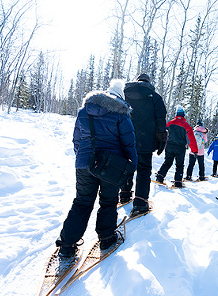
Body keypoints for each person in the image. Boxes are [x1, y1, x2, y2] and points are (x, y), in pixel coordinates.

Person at [56, 80, 137, 258]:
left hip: (84, 164)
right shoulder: (121, 114)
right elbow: (128, 143)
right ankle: (107, 237)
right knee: (108, 202)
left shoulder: (84, 111)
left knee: (82, 202)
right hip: (111, 165)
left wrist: (83, 159)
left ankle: (67, 245)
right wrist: (133, 163)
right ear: (120, 97)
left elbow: (76, 140)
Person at [121, 73, 167, 217]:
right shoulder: (155, 97)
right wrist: (162, 138)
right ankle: (140, 203)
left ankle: (124, 194)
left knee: (127, 166)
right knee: (144, 169)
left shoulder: (125, 95)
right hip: (146, 140)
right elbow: (161, 119)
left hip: (126, 138)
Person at [155, 106, 198, 188]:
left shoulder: (169, 123)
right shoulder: (186, 125)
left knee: (167, 162)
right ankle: (178, 182)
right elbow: (191, 139)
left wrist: (159, 143)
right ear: (183, 115)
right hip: (180, 147)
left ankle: (160, 176)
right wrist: (195, 150)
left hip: (169, 145)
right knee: (179, 164)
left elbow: (163, 132)